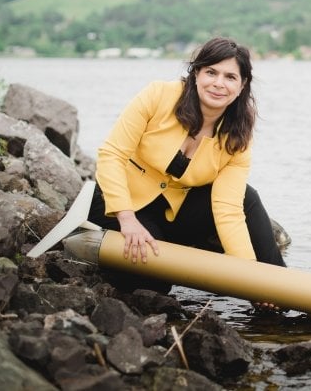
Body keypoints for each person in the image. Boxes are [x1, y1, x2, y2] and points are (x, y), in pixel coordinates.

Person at [87, 37, 285, 308]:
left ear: (242, 86)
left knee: (247, 197)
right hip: (119, 204)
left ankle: (281, 288)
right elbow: (112, 155)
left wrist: (248, 278)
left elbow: (227, 208)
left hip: (173, 215)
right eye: (211, 72)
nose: (218, 83)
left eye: (230, 77)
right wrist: (127, 218)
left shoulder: (237, 136)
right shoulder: (158, 95)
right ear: (195, 74)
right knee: (153, 283)